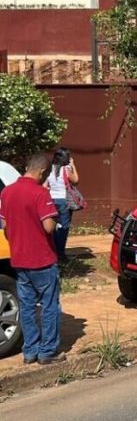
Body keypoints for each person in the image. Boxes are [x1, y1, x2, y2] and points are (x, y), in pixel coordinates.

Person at [0, 153, 64, 365]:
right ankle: (47, 352)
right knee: (49, 306)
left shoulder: (7, 193)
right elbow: (49, 227)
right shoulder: (40, 194)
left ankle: (29, 351)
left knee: (26, 307)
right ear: (43, 172)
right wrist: (53, 211)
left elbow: (6, 229)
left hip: (19, 260)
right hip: (42, 261)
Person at [46, 147, 79, 264]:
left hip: (51, 200)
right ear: (66, 158)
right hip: (63, 201)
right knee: (63, 228)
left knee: (52, 228)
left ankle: (53, 252)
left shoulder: (49, 169)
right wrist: (73, 165)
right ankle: (60, 254)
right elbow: (76, 180)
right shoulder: (66, 169)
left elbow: (45, 186)